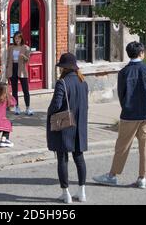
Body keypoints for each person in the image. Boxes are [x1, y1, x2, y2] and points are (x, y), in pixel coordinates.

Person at [93, 41, 146, 189]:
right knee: (144, 146)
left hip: (129, 114)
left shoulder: (124, 72)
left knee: (122, 146)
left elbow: (121, 95)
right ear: (141, 53)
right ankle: (142, 178)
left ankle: (113, 175)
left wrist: (126, 108)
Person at [47, 53, 88, 204]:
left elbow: (56, 105)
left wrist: (49, 112)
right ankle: (82, 192)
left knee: (62, 159)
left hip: (64, 125)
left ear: (64, 68)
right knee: (79, 158)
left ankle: (66, 194)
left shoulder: (62, 83)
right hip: (80, 125)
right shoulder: (83, 81)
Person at [6, 31, 33, 116]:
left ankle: (28, 108)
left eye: (19, 38)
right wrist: (7, 71)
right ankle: (17, 107)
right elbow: (7, 60)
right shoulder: (10, 48)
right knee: (14, 90)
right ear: (14, 39)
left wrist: (24, 56)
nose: (17, 39)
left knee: (25, 90)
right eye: (16, 38)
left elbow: (28, 60)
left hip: (22, 70)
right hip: (12, 68)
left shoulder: (26, 48)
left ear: (21, 38)